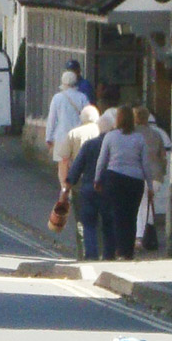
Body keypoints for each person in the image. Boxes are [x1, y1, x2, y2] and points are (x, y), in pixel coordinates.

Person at [94, 104, 153, 260]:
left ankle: (120, 250)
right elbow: (145, 164)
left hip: (115, 179)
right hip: (135, 181)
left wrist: (97, 178)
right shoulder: (139, 138)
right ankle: (128, 251)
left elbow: (102, 160)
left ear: (118, 119)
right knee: (131, 216)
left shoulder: (110, 137)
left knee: (118, 215)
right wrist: (150, 186)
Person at [66, 110, 113, 260]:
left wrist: (67, 185)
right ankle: (108, 255)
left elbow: (76, 168)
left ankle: (91, 255)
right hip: (108, 189)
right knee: (108, 223)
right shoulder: (114, 144)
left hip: (88, 188)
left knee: (89, 224)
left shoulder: (89, 145)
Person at [45, 70, 88, 188]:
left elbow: (52, 120)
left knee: (63, 166)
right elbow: (88, 116)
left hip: (61, 137)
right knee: (78, 165)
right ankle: (75, 189)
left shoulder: (57, 98)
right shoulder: (83, 97)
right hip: (79, 137)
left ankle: (65, 191)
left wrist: (49, 137)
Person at [134, 106, 170, 244]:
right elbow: (163, 157)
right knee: (147, 204)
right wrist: (163, 173)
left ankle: (139, 236)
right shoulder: (156, 134)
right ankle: (147, 234)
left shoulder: (132, 133)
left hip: (138, 175)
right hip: (155, 177)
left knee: (141, 205)